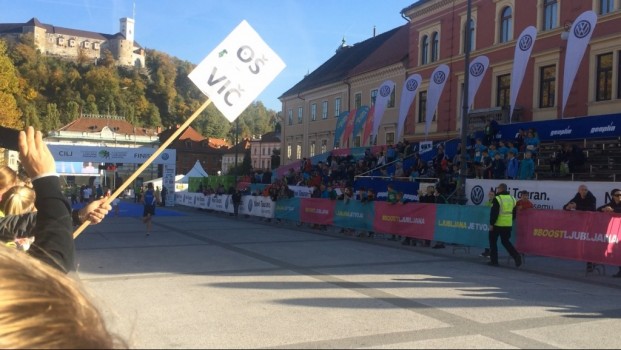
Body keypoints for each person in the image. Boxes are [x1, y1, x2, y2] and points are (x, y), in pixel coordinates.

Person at [563, 184, 597, 272]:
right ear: (579, 191)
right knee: (583, 244)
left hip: (591, 223)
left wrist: (576, 207)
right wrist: (568, 207)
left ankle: (591, 262)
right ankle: (588, 260)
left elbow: (591, 209)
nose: (584, 191)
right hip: (581, 224)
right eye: (582, 190)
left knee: (589, 243)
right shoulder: (577, 196)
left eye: (585, 190)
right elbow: (565, 206)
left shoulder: (592, 198)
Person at [488, 183, 522, 267]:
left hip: (497, 224)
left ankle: (494, 261)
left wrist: (492, 223)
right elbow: (514, 213)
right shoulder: (512, 198)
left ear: (501, 189)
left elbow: (494, 213)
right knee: (505, 241)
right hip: (507, 224)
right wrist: (509, 220)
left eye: (498, 188)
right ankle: (516, 255)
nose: (497, 190)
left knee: (493, 241)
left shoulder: (497, 198)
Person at [597, 188, 621, 277]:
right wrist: (604, 209)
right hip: (617, 231)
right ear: (613, 196)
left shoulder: (615, 206)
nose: (619, 197)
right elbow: (598, 209)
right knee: (618, 251)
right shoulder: (611, 204)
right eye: (617, 195)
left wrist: (613, 210)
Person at [480, 189, 496, 259]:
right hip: (487, 222)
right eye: (490, 194)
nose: (491, 196)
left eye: (492, 195)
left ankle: (491, 252)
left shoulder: (495, 203)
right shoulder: (487, 203)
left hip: (493, 222)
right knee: (486, 237)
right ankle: (486, 251)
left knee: (492, 238)